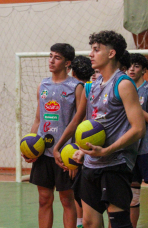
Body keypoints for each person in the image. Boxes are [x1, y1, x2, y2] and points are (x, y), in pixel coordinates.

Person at [53, 30, 145, 228]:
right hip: (92, 164)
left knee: (119, 223)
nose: (91, 54)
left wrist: (107, 150)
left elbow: (138, 129)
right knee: (89, 223)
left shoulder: (123, 84)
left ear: (111, 54)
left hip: (115, 164)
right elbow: (90, 126)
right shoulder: (92, 86)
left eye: (96, 49)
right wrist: (81, 149)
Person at [23, 43, 83, 228]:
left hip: (65, 153)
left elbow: (81, 123)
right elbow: (38, 118)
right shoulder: (43, 84)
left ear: (67, 63)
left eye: (56, 57)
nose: (51, 60)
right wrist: (30, 146)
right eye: (50, 56)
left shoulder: (76, 86)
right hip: (44, 152)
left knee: (67, 200)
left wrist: (76, 155)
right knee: (44, 199)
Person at [70, 55, 95, 228]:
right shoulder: (94, 87)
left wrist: (78, 147)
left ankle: (80, 222)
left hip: (80, 144)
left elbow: (81, 118)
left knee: (78, 189)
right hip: (90, 143)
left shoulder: (81, 88)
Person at [127, 53, 148, 228]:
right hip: (130, 148)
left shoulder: (147, 91)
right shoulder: (124, 89)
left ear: (144, 70)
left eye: (136, 66)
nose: (132, 69)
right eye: (129, 66)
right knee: (133, 195)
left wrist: (135, 108)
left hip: (146, 148)